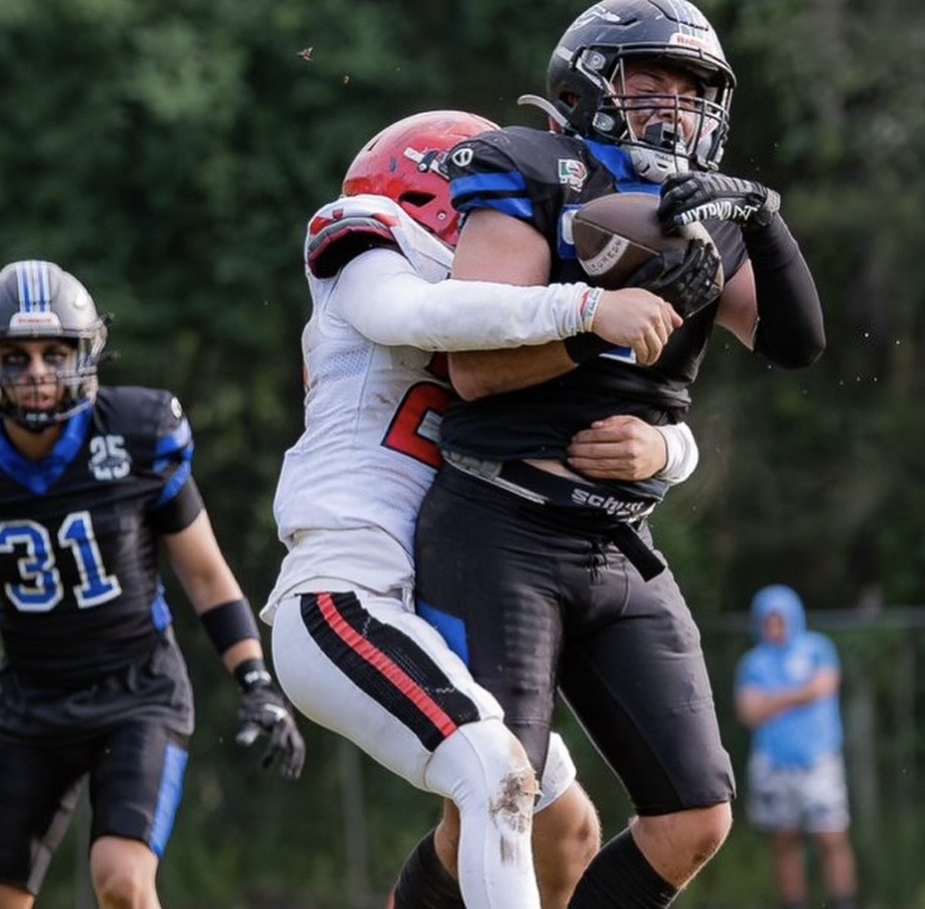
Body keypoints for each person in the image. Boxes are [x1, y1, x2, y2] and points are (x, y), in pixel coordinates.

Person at [410, 3, 827, 909]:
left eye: (693, 90)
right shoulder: (532, 168)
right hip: (501, 523)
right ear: (587, 85)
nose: (675, 107)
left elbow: (797, 344)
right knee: (497, 798)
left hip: (618, 542)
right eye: (651, 82)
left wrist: (763, 219)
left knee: (695, 814)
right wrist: (598, 326)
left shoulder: (702, 213)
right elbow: (474, 366)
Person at [261, 109, 704, 909]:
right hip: (344, 591)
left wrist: (669, 450)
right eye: (484, 209)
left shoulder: (511, 311)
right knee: (495, 772)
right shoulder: (370, 243)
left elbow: (627, 422)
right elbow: (417, 318)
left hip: (433, 596)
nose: (504, 229)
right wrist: (586, 307)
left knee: (561, 827)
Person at [0, 260, 305, 909]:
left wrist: (255, 680)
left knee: (122, 880)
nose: (39, 373)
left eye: (55, 352)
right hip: (31, 704)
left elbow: (206, 573)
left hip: (139, 692)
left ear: (86, 352)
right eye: (15, 356)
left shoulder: (135, 435)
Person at [735, 585, 858, 909]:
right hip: (772, 764)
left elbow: (823, 687)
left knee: (831, 837)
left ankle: (843, 902)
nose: (775, 627)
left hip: (819, 761)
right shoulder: (753, 662)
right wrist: (798, 694)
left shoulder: (818, 648)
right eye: (768, 621)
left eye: (780, 620)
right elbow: (749, 711)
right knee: (785, 840)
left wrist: (773, 700)